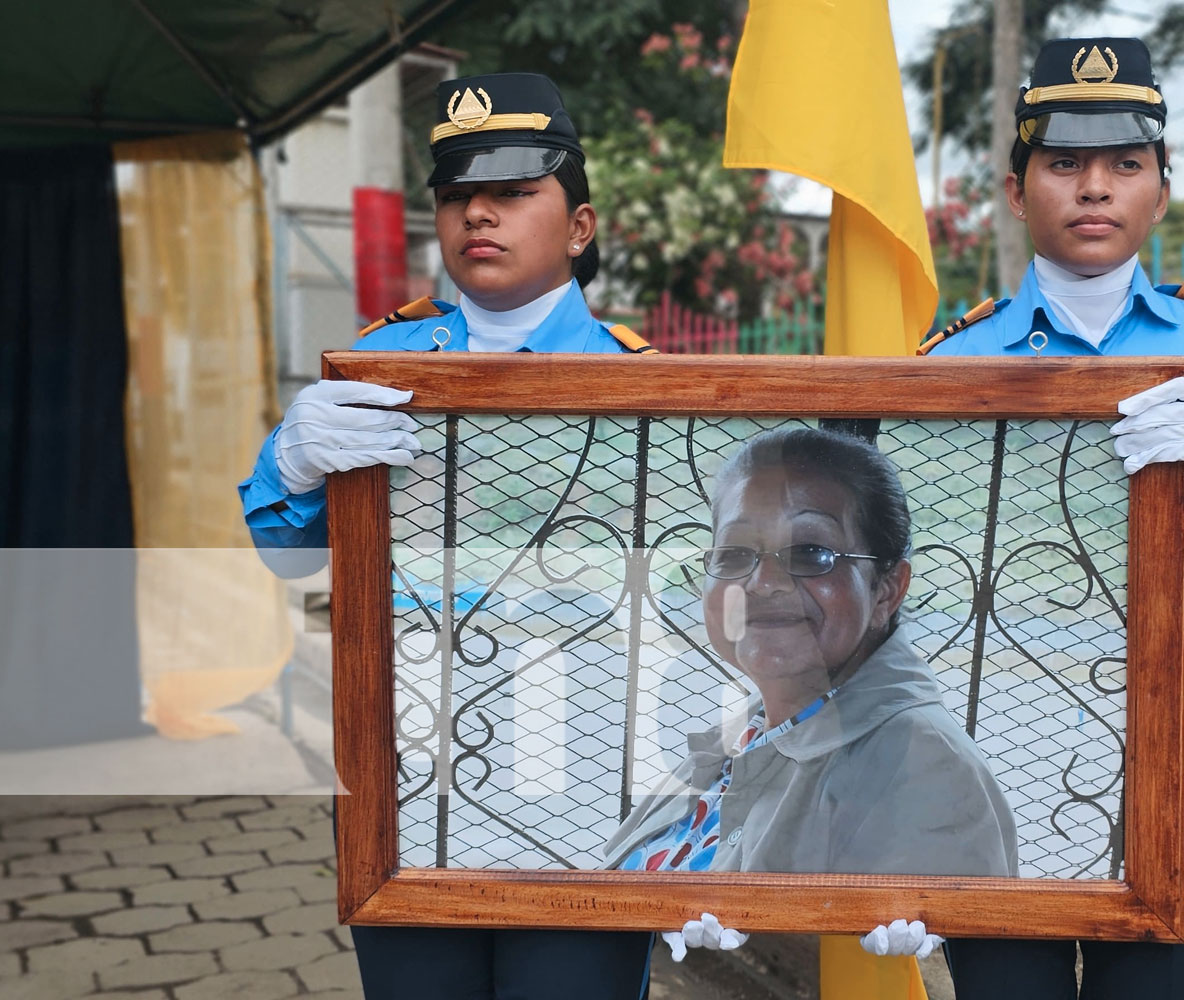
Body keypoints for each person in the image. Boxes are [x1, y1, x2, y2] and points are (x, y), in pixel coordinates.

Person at [238, 72, 656, 1000]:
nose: (481, 214)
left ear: (579, 227)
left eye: (512, 193)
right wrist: (292, 461)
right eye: (460, 195)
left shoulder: (651, 393)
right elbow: (285, 551)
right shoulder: (378, 369)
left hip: (582, 790)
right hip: (408, 785)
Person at [921, 37, 1184, 999]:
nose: (1094, 188)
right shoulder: (945, 370)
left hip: (1177, 707)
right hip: (1000, 709)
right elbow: (911, 586)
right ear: (1016, 193)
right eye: (1063, 164)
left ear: (1162, 190)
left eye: (1124, 165)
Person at [600, 426, 1018, 959]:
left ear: (887, 589)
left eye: (812, 552)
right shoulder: (754, 734)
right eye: (734, 554)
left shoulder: (921, 767)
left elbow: (920, 979)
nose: (762, 582)